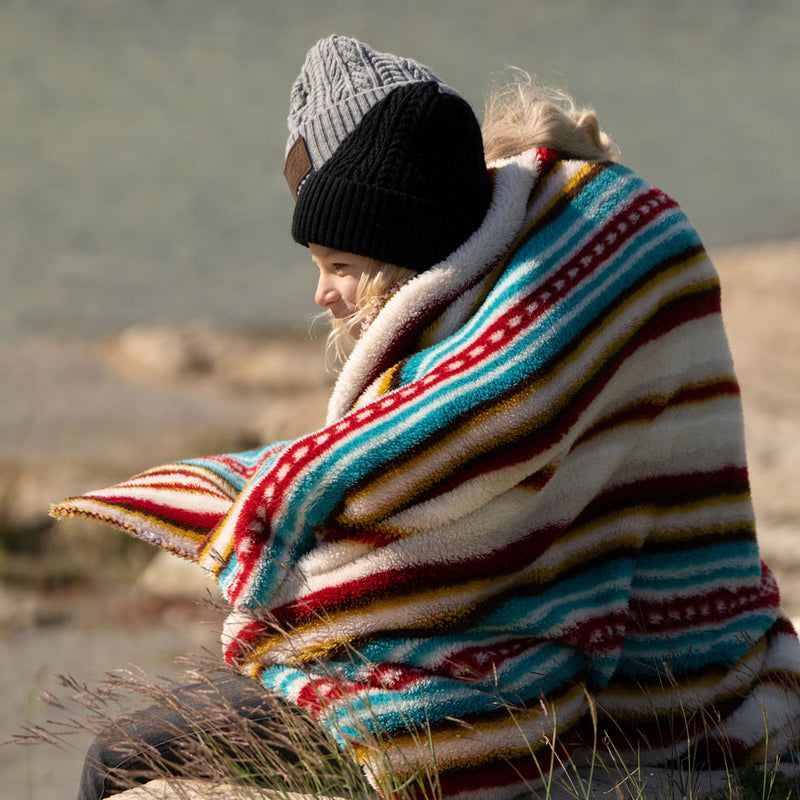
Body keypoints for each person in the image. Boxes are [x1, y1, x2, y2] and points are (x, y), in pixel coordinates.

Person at [54, 34, 800, 800]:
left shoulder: (524, 342)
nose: (320, 294)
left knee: (120, 757)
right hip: (699, 660)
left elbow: (408, 507)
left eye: (338, 264)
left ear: (402, 245)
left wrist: (256, 516)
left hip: (619, 700)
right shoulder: (536, 252)